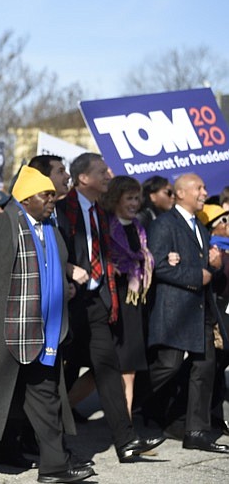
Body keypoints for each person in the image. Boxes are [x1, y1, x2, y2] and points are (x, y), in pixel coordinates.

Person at [0, 166, 94, 484]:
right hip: (0, 330)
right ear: (26, 198)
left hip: (44, 334)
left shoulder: (52, 232)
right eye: (46, 195)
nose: (52, 201)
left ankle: (54, 467)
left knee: (45, 400)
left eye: (54, 196)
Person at [54, 152, 164, 462]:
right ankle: (37, 436)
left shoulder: (100, 213)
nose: (108, 175)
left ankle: (126, 441)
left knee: (108, 369)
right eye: (102, 171)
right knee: (60, 373)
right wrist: (68, 269)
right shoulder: (62, 209)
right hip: (69, 302)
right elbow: (49, 248)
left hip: (99, 303)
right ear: (84, 178)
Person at [141, 173, 229, 453]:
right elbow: (157, 266)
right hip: (175, 311)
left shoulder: (200, 228)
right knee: (169, 365)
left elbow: (205, 270)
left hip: (201, 309)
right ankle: (127, 401)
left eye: (204, 187)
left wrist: (213, 265)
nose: (205, 192)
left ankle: (196, 431)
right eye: (199, 188)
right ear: (180, 193)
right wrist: (197, 274)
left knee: (205, 367)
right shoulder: (165, 224)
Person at [100, 176, 154, 419]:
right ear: (116, 199)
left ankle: (126, 424)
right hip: (115, 299)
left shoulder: (139, 228)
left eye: (137, 198)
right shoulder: (106, 227)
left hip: (134, 302)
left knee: (129, 367)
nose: (135, 203)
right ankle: (62, 414)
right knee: (101, 370)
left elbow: (143, 258)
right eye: (129, 198)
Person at [196, 204, 229, 436]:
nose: (228, 224)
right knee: (216, 363)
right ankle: (213, 415)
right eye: (223, 221)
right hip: (220, 311)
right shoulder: (213, 250)